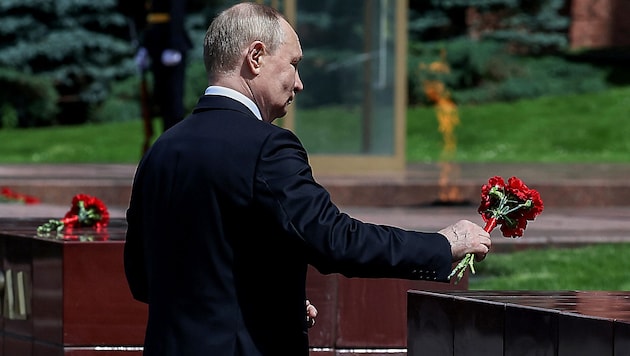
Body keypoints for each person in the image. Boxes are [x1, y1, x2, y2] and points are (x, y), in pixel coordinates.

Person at [123, 2, 491, 355]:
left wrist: (270, 301)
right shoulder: (267, 147)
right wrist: (443, 245)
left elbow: (143, 278)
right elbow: (334, 239)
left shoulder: (161, 150)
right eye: (293, 64)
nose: (298, 83)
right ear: (255, 57)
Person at [122, 0, 192, 132]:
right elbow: (141, 15)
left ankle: (177, 135)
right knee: (161, 97)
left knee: (174, 97)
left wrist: (174, 45)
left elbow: (177, 11)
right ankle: (166, 134)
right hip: (155, 44)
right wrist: (143, 46)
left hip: (170, 42)